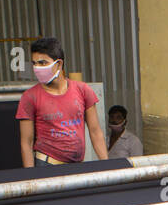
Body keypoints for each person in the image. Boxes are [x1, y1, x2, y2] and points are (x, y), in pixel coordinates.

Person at [16, 37, 108, 168]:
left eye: (42, 63)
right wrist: (31, 177)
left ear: (59, 64)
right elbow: (26, 142)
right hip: (47, 165)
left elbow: (95, 131)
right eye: (34, 63)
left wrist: (107, 165)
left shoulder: (83, 90)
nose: (37, 68)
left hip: (76, 166)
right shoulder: (30, 97)